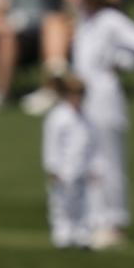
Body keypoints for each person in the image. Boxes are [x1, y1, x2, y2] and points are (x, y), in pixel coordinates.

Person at [72, 0, 134, 249]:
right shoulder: (85, 21)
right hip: (84, 96)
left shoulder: (111, 19)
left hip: (104, 94)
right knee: (91, 159)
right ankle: (96, 219)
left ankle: (114, 222)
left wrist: (120, 62)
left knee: (109, 160)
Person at [42, 73, 96, 248]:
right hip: (63, 168)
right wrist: (52, 167)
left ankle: (81, 233)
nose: (77, 98)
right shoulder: (58, 117)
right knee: (61, 203)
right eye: (74, 93)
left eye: (81, 94)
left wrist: (93, 166)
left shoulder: (86, 116)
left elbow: (90, 143)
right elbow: (51, 143)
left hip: (81, 167)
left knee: (82, 203)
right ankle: (62, 234)